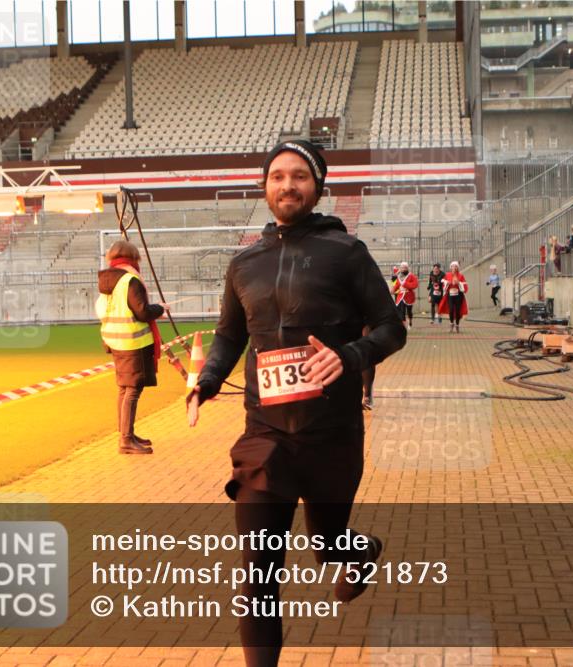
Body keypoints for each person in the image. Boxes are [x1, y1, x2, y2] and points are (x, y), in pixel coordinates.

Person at [186, 140, 406, 667]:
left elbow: (391, 328)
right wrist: (207, 380)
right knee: (258, 573)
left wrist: (348, 356)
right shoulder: (244, 263)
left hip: (332, 433)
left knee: (328, 545)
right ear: (265, 186)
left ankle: (360, 552)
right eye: (278, 176)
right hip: (265, 437)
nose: (288, 185)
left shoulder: (347, 253)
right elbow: (229, 336)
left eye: (300, 176)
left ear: (318, 186)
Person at [95, 240, 169, 455]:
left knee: (124, 389)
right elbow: (142, 311)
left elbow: (102, 309)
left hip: (115, 341)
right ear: (134, 258)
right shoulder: (130, 280)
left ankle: (126, 433)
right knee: (133, 390)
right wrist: (159, 309)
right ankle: (126, 440)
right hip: (132, 342)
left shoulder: (108, 281)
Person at [438, 260, 469, 333]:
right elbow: (443, 284)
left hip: (458, 295)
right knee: (451, 310)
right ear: (450, 267)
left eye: (455, 266)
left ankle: (457, 325)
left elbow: (465, 286)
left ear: (457, 268)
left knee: (458, 311)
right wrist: (447, 283)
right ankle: (451, 324)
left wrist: (458, 283)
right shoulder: (447, 275)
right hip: (450, 295)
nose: (454, 268)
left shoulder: (460, 275)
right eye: (452, 266)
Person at [391, 261, 418, 329]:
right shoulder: (399, 276)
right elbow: (397, 284)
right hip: (400, 296)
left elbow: (415, 285)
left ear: (407, 268)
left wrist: (405, 284)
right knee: (401, 311)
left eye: (405, 268)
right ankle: (404, 326)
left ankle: (410, 321)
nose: (403, 269)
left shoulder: (411, 276)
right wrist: (393, 290)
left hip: (409, 296)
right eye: (402, 268)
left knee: (409, 311)